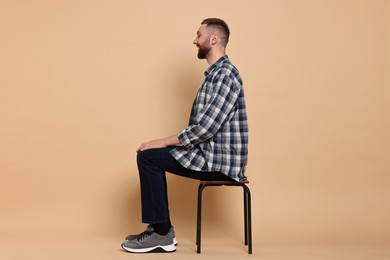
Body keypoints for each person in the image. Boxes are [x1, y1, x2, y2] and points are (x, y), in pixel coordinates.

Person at [121, 18, 248, 253]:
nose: (194, 40)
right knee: (148, 154)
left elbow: (206, 128)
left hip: (219, 161)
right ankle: (160, 230)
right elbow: (204, 129)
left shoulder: (225, 75)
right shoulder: (215, 75)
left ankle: (161, 234)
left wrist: (161, 141)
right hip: (209, 154)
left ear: (213, 39)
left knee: (148, 156)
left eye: (198, 35)